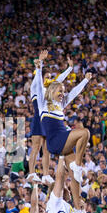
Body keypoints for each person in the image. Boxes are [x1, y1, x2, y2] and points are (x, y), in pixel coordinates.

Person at [32, 50, 92, 204]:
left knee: (73, 175)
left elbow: (74, 93)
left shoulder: (60, 104)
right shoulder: (43, 103)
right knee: (84, 133)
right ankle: (78, 165)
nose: (62, 94)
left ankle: (78, 205)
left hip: (61, 142)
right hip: (56, 140)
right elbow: (39, 85)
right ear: (52, 91)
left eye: (63, 91)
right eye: (60, 91)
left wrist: (85, 81)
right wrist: (39, 66)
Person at [27, 51, 73, 185]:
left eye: (50, 77)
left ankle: (46, 174)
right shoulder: (36, 86)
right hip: (38, 118)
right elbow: (38, 79)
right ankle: (31, 173)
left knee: (47, 148)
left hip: (47, 120)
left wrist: (69, 69)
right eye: (46, 77)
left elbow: (59, 80)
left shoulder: (49, 90)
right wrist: (39, 64)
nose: (49, 79)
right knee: (36, 146)